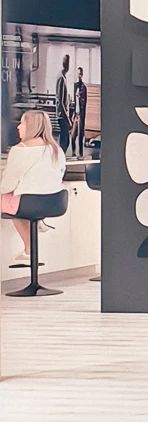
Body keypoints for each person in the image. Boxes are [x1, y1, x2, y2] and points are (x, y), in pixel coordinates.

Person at [1, 110, 66, 271]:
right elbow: (60, 174)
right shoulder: (56, 149)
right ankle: (37, 224)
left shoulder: (20, 150)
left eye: (22, 123)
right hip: (55, 202)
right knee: (16, 200)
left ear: (31, 126)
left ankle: (29, 249)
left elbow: (9, 183)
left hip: (28, 203)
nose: (18, 127)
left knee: (7, 200)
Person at [55, 54, 72, 156]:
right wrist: (67, 119)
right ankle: (60, 158)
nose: (67, 65)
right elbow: (60, 101)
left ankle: (61, 157)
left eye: (68, 63)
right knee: (64, 140)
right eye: (66, 63)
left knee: (66, 139)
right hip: (62, 116)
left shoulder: (64, 77)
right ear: (63, 63)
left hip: (64, 114)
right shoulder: (61, 78)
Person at [73, 63, 88, 158]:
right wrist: (73, 113)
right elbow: (74, 102)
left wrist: (79, 97)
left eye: (80, 74)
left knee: (80, 135)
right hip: (76, 114)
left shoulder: (84, 87)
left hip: (81, 115)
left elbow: (84, 102)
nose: (78, 75)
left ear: (82, 75)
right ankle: (73, 153)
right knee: (72, 136)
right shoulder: (75, 86)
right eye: (77, 73)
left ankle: (81, 154)